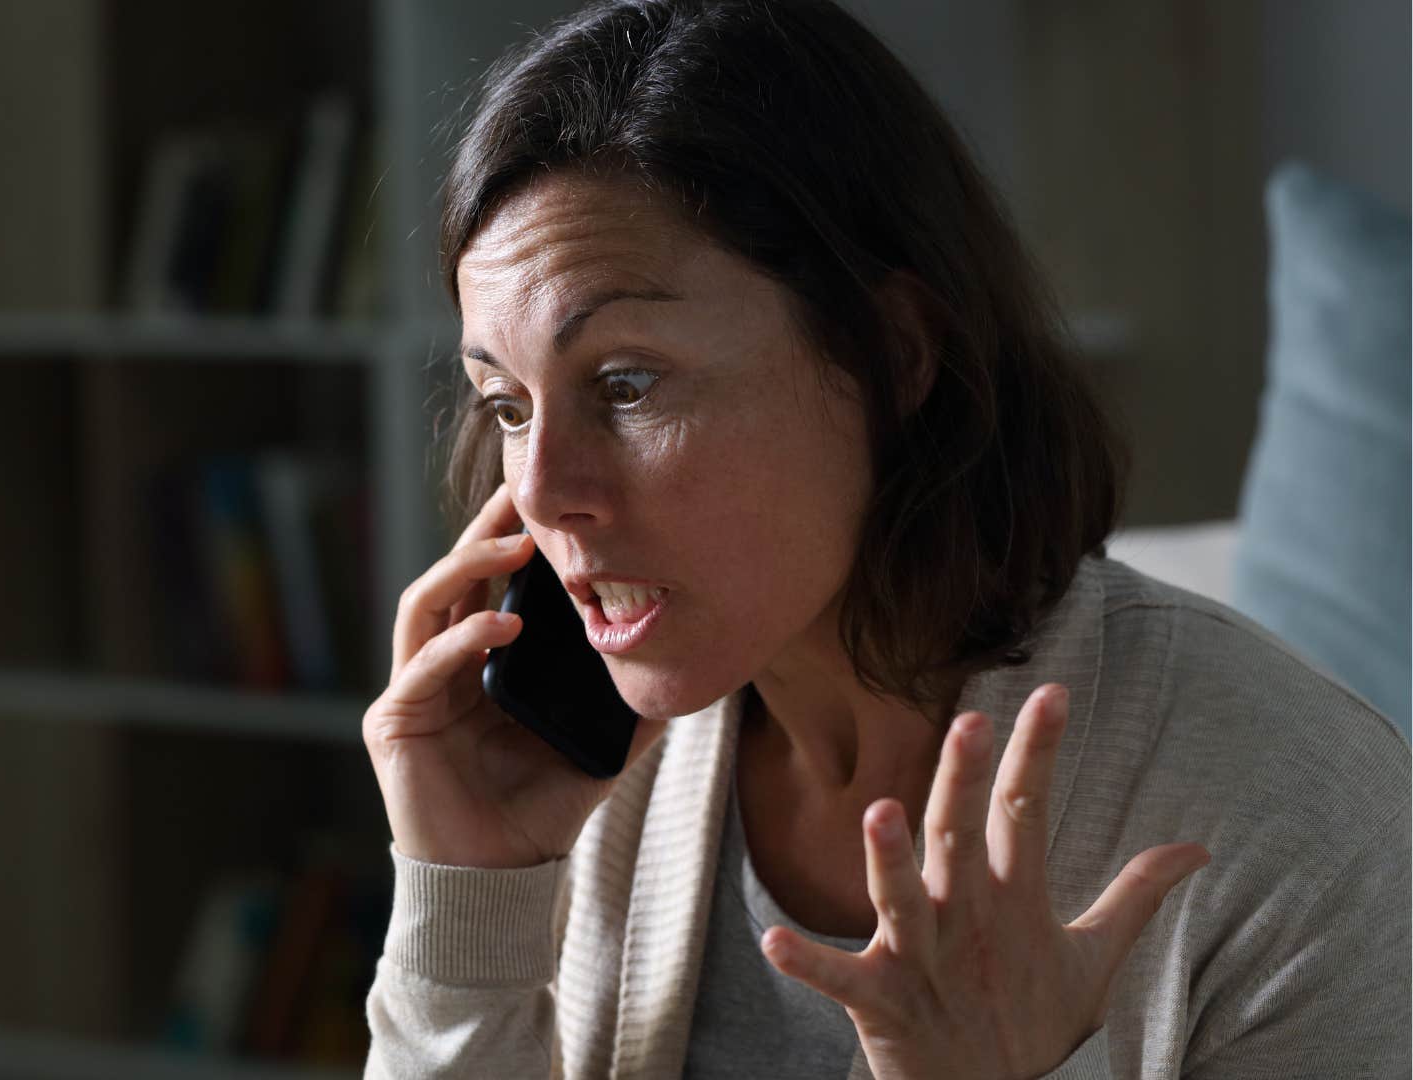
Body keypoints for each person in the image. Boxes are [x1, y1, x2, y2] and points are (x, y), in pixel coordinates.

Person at [357, 0, 1411, 1076]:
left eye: (626, 384)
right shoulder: (582, 783)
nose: (543, 491)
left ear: (895, 353)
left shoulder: (1298, 817)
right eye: (507, 403)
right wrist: (470, 909)